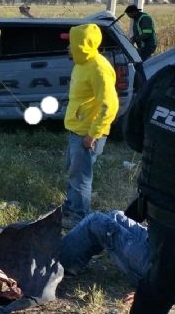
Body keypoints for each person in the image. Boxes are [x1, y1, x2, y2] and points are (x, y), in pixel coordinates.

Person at [123, 62, 175, 313]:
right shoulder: (164, 80)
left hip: (161, 220)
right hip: (163, 216)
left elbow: (133, 134)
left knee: (158, 287)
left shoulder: (165, 79)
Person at [62, 23, 119, 228]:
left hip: (87, 134)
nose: (68, 47)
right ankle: (70, 208)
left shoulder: (99, 68)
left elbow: (110, 105)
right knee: (73, 171)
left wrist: (93, 134)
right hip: (76, 130)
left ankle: (79, 218)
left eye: (71, 44)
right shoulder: (81, 63)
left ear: (82, 45)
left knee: (81, 178)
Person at [59, 210, 149, 286]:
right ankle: (72, 263)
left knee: (96, 221)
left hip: (155, 268)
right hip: (154, 244)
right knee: (115, 215)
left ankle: (53, 266)